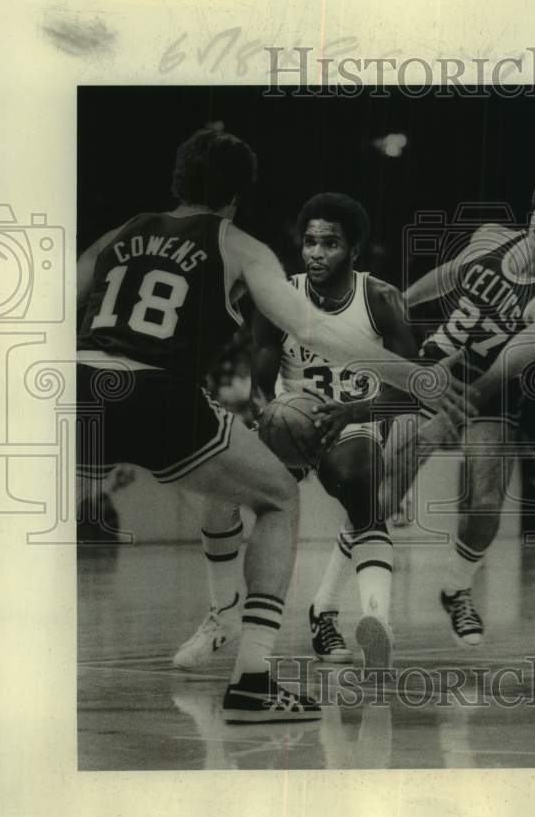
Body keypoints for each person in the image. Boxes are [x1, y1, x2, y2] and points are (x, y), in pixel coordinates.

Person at [76, 126, 470, 723]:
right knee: (280, 497)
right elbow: (314, 331)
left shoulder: (115, 235)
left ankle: (223, 616)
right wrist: (418, 377)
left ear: (176, 182)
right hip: (156, 392)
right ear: (236, 197)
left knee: (213, 493)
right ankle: (254, 678)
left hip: (77, 388)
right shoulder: (239, 244)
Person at [172, 192, 418, 674]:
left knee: (362, 481)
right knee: (216, 490)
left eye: (330, 244)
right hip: (289, 421)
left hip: (353, 423)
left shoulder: (381, 300)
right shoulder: (279, 297)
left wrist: (352, 413)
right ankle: (221, 617)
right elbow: (260, 385)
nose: (316, 253)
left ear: (353, 251)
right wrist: (275, 415)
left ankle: (376, 623)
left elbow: (416, 391)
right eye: (310, 242)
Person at [380, 171, 535, 646]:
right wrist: (402, 302)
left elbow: (507, 366)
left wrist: (459, 405)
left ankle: (457, 588)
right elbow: (450, 275)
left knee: (487, 502)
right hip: (436, 365)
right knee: (386, 483)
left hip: (491, 389)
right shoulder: (492, 238)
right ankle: (333, 602)